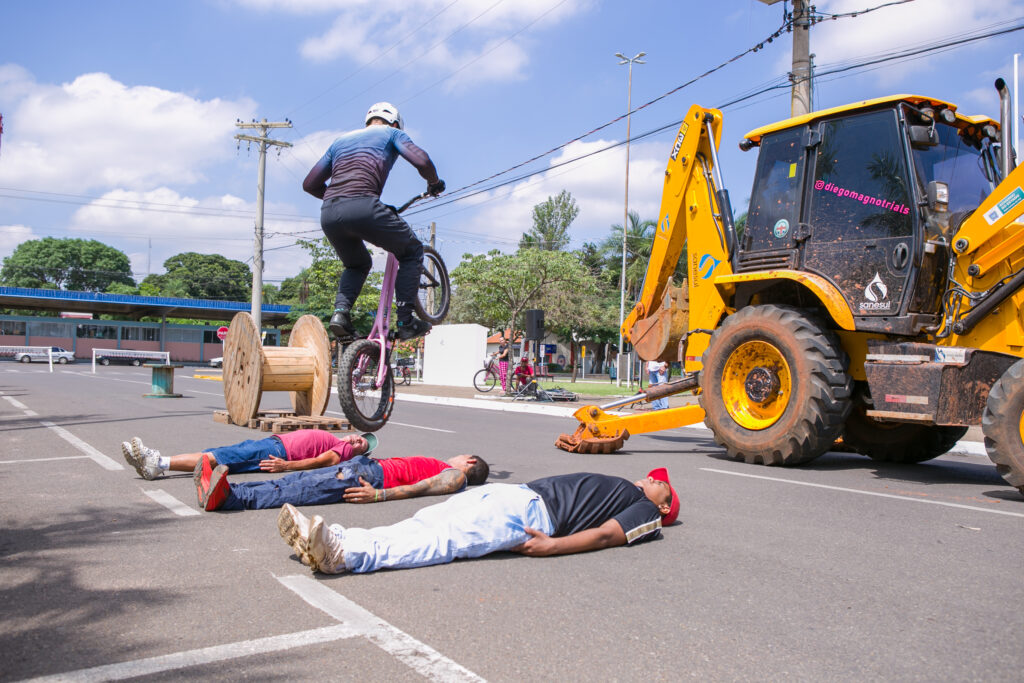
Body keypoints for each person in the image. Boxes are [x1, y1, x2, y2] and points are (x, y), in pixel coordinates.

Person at [278, 467, 680, 575]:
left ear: (664, 508)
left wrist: (554, 546)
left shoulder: (646, 512)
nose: (653, 479)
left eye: (662, 485)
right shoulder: (630, 489)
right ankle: (341, 539)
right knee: (426, 521)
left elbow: (609, 535)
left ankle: (342, 556)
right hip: (518, 495)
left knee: (444, 538)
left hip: (534, 515)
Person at [302, 101, 445, 342]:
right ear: (396, 122)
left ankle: (341, 314)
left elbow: (309, 184)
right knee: (411, 251)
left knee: (357, 264)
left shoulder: (339, 142)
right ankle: (405, 320)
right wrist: (434, 182)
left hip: (329, 213)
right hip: (363, 206)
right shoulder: (392, 133)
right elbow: (422, 161)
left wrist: (340, 199)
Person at [193, 450, 489, 512]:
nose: (457, 456)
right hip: (366, 468)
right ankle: (227, 490)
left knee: (300, 489)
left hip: (369, 478)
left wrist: (380, 496)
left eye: (464, 455)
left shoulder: (458, 475)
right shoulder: (439, 464)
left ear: (471, 462)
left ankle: (231, 499)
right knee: (295, 480)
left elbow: (429, 487)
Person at [120, 430, 376, 481]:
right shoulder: (338, 439)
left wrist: (288, 465)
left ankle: (157, 462)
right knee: (220, 454)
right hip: (273, 444)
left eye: (360, 445)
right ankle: (155, 462)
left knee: (220, 457)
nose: (355, 441)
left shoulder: (341, 451)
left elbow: (326, 461)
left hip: (278, 451)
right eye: (358, 437)